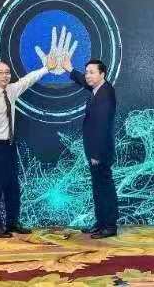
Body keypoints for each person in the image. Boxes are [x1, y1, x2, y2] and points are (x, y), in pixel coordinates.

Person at [0, 56, 57, 238]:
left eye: (7, 73)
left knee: (12, 187)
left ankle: (12, 223)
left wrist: (46, 69)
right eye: (0, 73)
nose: (4, 76)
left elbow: (27, 80)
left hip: (9, 146)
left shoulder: (11, 90)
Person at [63, 55, 118, 239]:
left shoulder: (105, 94)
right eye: (86, 72)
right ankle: (101, 223)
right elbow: (84, 81)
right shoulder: (98, 88)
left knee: (105, 189)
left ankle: (109, 226)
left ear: (102, 74)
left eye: (91, 72)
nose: (87, 75)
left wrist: (96, 154)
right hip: (95, 151)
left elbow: (102, 127)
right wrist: (70, 70)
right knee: (98, 188)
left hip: (100, 152)